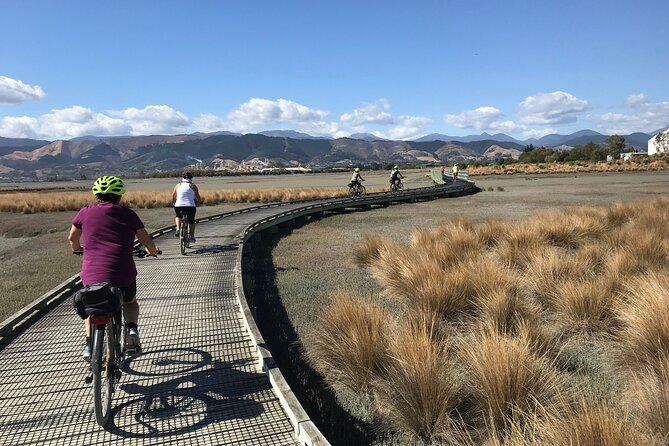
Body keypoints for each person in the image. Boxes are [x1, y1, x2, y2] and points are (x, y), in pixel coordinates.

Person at [68, 175, 159, 361]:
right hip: (122, 274)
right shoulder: (128, 214)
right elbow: (146, 241)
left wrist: (78, 249)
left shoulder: (84, 213)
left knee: (93, 306)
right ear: (120, 196)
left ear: (96, 195)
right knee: (129, 302)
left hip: (92, 275)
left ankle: (89, 344)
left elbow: (72, 238)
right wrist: (153, 251)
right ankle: (132, 330)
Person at [172, 171, 202, 242]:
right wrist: (200, 201)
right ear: (191, 178)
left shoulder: (178, 185)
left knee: (178, 216)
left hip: (179, 205)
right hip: (190, 206)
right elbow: (197, 196)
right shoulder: (193, 186)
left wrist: (174, 201)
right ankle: (191, 236)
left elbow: (173, 195)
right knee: (191, 221)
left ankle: (178, 229)